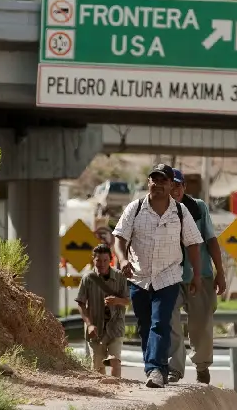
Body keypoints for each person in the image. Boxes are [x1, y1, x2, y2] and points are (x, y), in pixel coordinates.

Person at [113, 163, 204, 388]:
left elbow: (193, 244)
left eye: (163, 180)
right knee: (145, 326)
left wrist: (196, 275)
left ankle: (154, 370)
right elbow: (119, 238)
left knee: (160, 323)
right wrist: (123, 260)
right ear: (148, 183)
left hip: (169, 276)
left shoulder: (180, 212)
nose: (158, 184)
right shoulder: (134, 209)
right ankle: (157, 368)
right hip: (139, 277)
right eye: (154, 179)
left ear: (171, 185)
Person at [167, 169, 227, 385]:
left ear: (184, 187)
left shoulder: (198, 207)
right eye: (170, 185)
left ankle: (202, 367)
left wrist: (220, 272)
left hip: (200, 275)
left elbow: (211, 241)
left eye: (178, 185)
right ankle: (174, 367)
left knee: (201, 325)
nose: (174, 190)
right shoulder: (158, 210)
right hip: (171, 277)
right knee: (169, 320)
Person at [75, 244, 130, 378]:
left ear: (110, 260)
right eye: (98, 260)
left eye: (105, 260)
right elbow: (81, 304)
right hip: (96, 329)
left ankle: (116, 388)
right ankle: (104, 394)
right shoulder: (87, 278)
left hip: (115, 326)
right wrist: (89, 325)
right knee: (98, 368)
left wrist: (117, 301)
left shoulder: (120, 277)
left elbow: (128, 301)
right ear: (93, 260)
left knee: (115, 361)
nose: (101, 264)